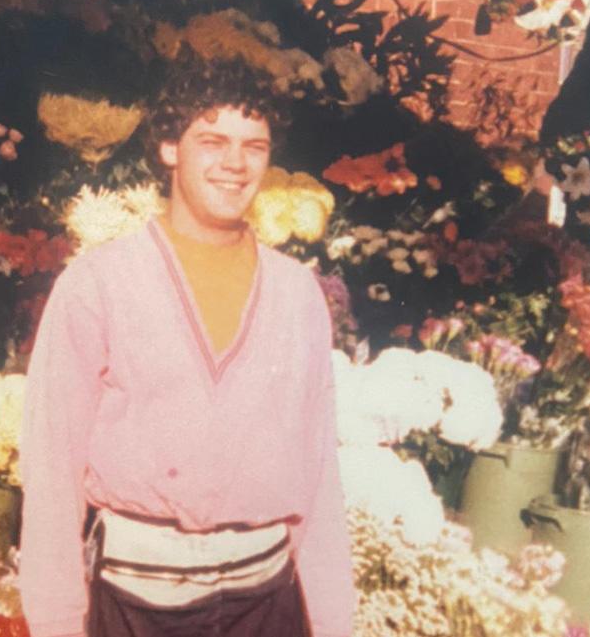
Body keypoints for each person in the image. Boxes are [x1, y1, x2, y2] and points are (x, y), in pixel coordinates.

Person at [18, 58, 355, 637]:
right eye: (213, 140)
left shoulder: (297, 293)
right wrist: (56, 623)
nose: (235, 163)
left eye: (254, 145)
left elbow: (319, 470)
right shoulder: (100, 283)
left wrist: (332, 621)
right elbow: (52, 468)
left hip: (266, 601)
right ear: (170, 147)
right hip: (136, 601)